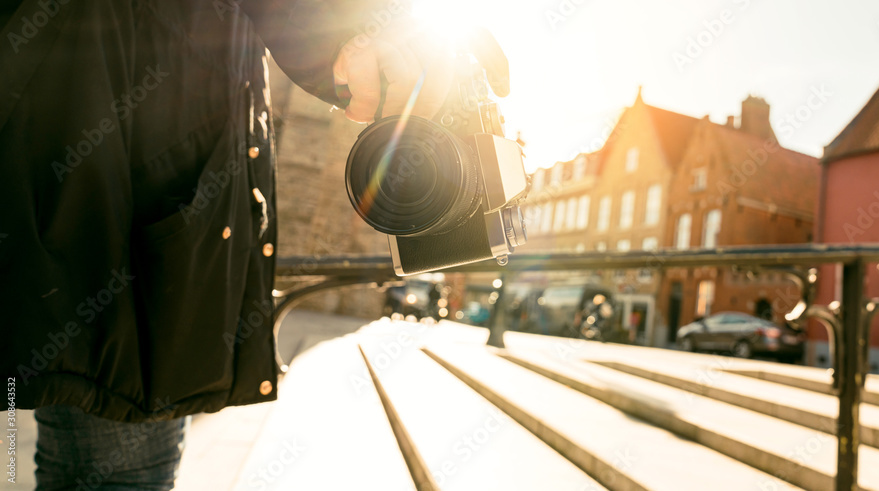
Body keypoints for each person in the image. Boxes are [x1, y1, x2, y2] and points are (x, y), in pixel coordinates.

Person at [0, 1, 509, 488]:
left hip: (149, 157)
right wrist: (357, 30)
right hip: (132, 149)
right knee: (117, 460)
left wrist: (356, 37)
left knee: (103, 449)